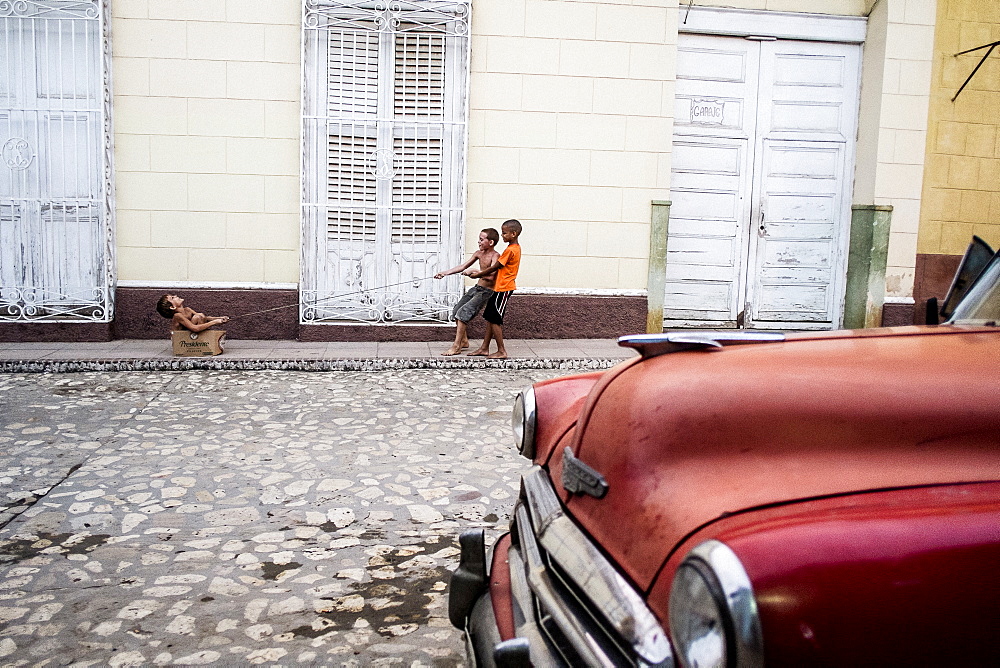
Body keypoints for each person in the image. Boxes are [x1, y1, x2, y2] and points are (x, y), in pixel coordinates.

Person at [434, 228, 500, 355]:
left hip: (486, 291)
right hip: (477, 288)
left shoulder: (495, 256)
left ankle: (456, 346)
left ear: (490, 242)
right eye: (479, 239)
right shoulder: (478, 253)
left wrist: (474, 272)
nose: (478, 242)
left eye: (481, 239)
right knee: (456, 310)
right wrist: (445, 273)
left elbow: (492, 276)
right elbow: (463, 267)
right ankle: (464, 341)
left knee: (463, 313)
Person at [464, 219, 521, 359]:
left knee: (495, 319)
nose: (502, 236)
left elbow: (495, 267)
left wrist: (478, 275)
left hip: (504, 288)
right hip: (498, 287)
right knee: (490, 317)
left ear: (513, 234)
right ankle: (484, 348)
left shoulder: (510, 250)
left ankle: (501, 350)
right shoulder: (513, 248)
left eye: (504, 233)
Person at [155, 294, 229, 333]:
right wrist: (214, 322)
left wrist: (219, 318)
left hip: (191, 336)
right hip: (182, 341)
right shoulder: (177, 316)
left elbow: (204, 317)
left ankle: (202, 341)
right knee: (197, 317)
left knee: (199, 315)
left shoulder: (187, 309)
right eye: (172, 298)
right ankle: (201, 340)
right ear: (172, 307)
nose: (176, 296)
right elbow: (194, 328)